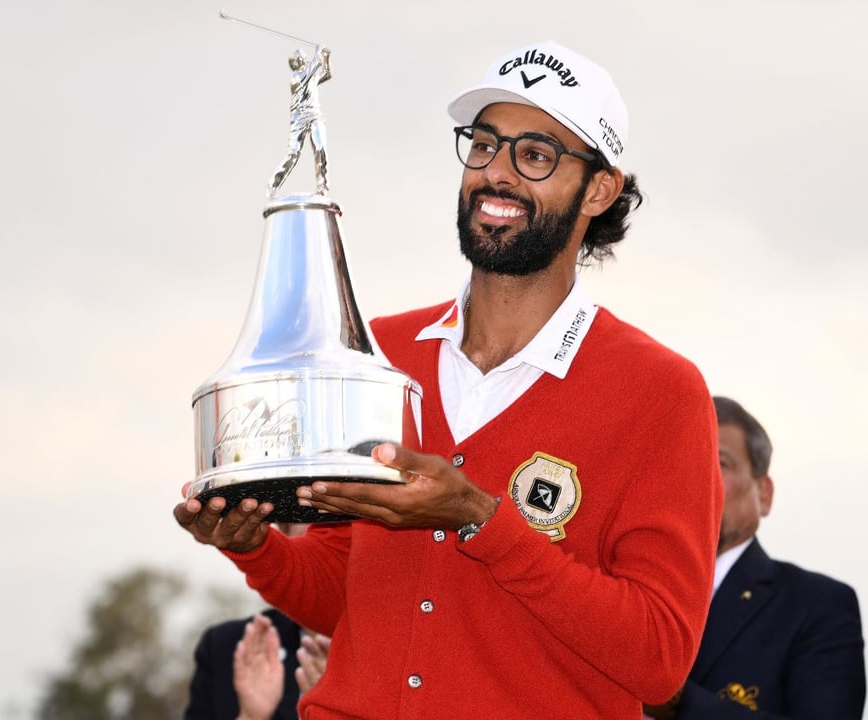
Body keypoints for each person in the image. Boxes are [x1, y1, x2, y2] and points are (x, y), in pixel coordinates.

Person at [175, 40, 723, 718]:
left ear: (600, 190)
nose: (496, 174)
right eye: (484, 145)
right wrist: (256, 547)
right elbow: (343, 594)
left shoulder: (660, 390)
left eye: (536, 155)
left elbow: (659, 659)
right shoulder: (377, 351)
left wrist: (481, 519)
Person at [643, 397, 866, 719]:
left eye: (719, 464)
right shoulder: (621, 583)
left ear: (764, 493)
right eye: (680, 462)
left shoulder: (818, 605)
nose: (695, 479)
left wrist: (679, 704)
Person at [185, 524, 331, 720]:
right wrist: (250, 717)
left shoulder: (384, 652)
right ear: (283, 537)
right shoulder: (228, 648)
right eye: (313, 517)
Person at [268, 45, 333, 197]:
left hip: (315, 115)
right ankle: (273, 185)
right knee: (293, 154)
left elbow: (326, 73)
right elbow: (315, 65)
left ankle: (322, 185)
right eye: (301, 57)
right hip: (299, 118)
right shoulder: (297, 78)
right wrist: (319, 52)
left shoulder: (310, 75)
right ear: (297, 63)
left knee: (320, 148)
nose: (304, 58)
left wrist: (327, 58)